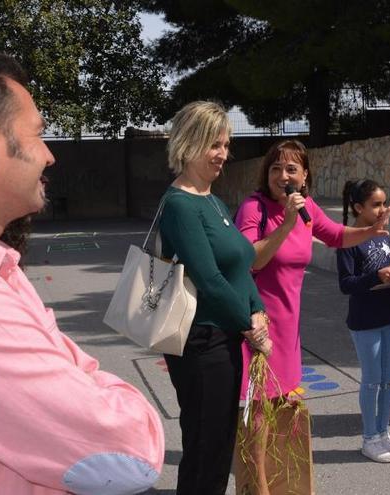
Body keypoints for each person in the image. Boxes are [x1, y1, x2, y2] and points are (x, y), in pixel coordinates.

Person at [0, 44, 164, 494]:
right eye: (36, 134)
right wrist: (94, 384)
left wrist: (80, 379)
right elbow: (129, 452)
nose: (49, 154)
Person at [233, 140, 390, 486]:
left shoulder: (307, 208)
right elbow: (250, 260)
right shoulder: (254, 208)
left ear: (304, 177)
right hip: (257, 325)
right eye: (276, 168)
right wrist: (287, 223)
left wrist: (370, 230)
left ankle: (277, 480)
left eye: (291, 169)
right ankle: (255, 486)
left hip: (289, 329)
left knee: (280, 406)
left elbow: (334, 235)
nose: (283, 175)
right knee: (257, 413)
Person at [158, 101, 271, 494]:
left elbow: (239, 265)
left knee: (218, 447)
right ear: (189, 144)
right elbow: (207, 278)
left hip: (225, 338)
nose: (223, 153)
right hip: (201, 343)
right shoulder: (180, 205)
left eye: (226, 144)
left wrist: (257, 310)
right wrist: (250, 325)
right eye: (214, 144)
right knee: (207, 451)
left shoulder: (212, 200)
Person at [337, 180, 390, 463]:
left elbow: (386, 270)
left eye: (384, 203)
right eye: (375, 204)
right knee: (372, 380)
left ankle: (383, 432)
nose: (381, 209)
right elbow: (346, 284)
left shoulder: (384, 235)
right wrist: (377, 277)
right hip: (365, 320)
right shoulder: (348, 239)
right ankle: (369, 438)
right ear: (357, 207)